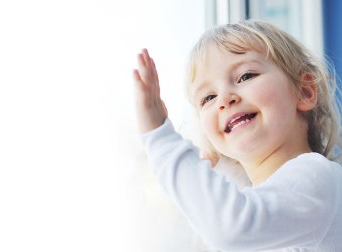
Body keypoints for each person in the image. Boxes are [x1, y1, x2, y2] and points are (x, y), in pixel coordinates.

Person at [132, 20, 342, 251]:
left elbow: (230, 229)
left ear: (304, 91)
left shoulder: (318, 177)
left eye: (246, 76)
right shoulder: (258, 205)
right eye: (208, 98)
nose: (224, 99)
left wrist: (158, 137)